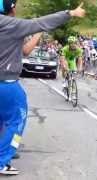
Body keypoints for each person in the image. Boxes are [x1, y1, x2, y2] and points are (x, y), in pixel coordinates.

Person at [0, 0, 85, 175]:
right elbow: (41, 22)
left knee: (2, 120)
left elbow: (24, 51)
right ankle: (2, 160)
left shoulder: (13, 28)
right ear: (11, 8)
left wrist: (37, 33)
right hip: (6, 83)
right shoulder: (13, 24)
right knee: (17, 121)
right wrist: (70, 13)